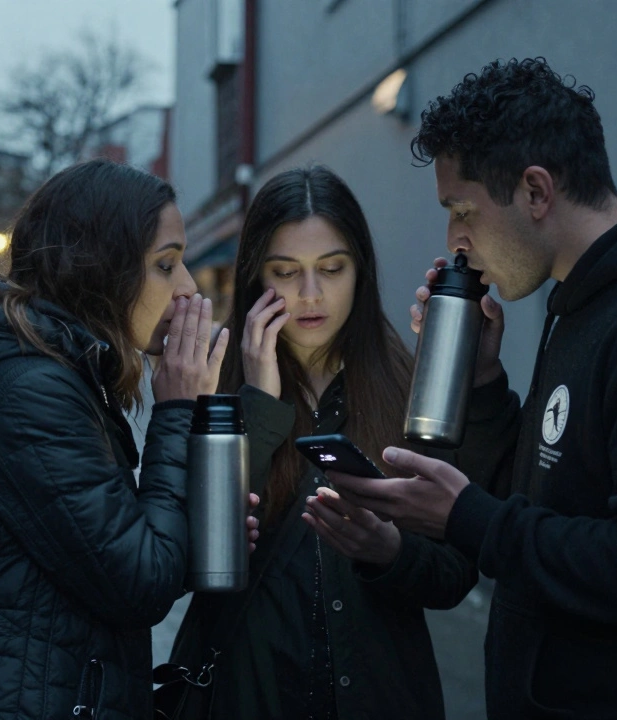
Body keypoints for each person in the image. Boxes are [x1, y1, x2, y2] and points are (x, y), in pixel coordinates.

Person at [329, 58, 617, 719]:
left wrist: (470, 520)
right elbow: (557, 495)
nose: (454, 243)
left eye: (462, 210)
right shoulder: (579, 306)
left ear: (536, 191)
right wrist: (484, 384)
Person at [0, 159, 258, 720]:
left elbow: (106, 566)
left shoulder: (61, 376)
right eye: (165, 265)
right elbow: (138, 586)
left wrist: (200, 539)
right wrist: (177, 410)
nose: (185, 289)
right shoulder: (31, 392)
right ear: (100, 269)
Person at [167, 166, 485, 719]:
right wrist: (259, 403)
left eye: (332, 269)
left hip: (378, 695)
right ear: (254, 278)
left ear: (360, 271)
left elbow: (457, 571)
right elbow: (191, 559)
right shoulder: (211, 378)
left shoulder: (412, 385)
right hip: (246, 693)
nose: (310, 294)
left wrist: (390, 553)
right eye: (286, 272)